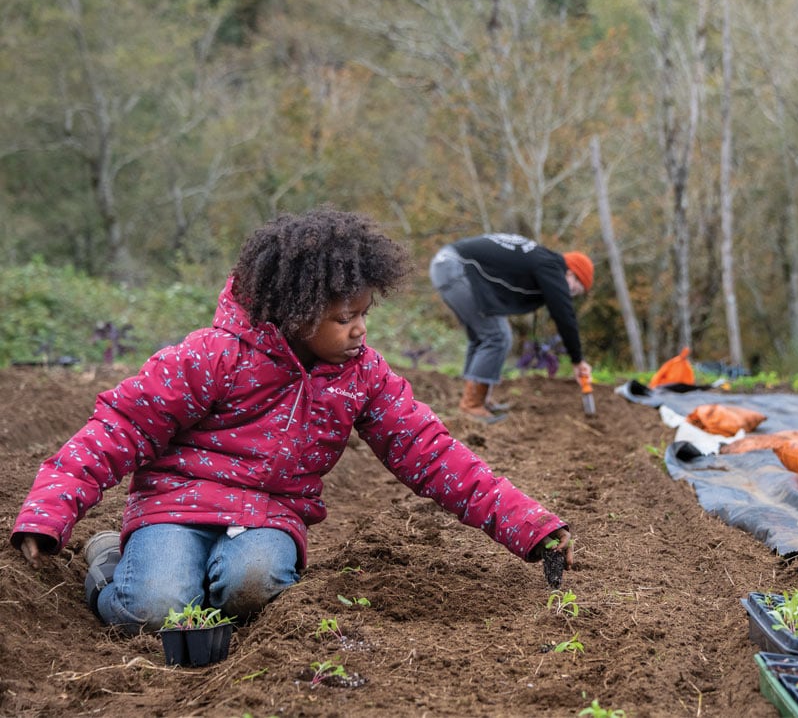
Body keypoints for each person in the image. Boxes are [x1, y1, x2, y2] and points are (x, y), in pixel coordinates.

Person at [10, 207, 573, 633]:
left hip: (269, 515)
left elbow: (432, 454)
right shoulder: (213, 356)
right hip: (175, 503)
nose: (360, 330)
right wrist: (50, 509)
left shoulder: (363, 375)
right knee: (153, 611)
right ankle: (112, 561)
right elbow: (122, 427)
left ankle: (199, 580)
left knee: (252, 588)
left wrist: (531, 526)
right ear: (295, 312)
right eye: (343, 317)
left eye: (364, 314)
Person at [429, 233, 594, 424]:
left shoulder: (543, 260)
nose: (569, 295)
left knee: (483, 336)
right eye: (574, 289)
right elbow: (564, 314)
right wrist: (577, 359)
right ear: (571, 273)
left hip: (448, 263)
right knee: (497, 336)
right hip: (454, 266)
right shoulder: (552, 266)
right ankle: (471, 406)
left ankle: (479, 400)